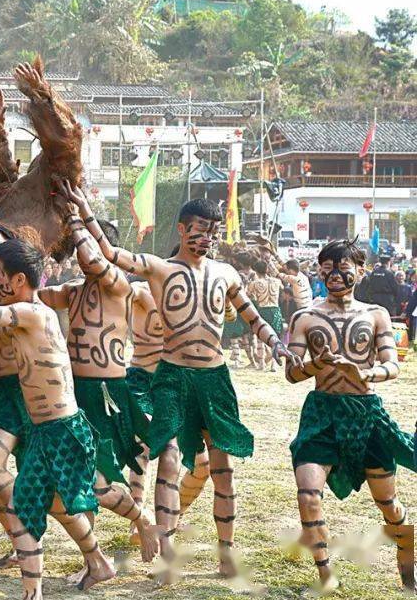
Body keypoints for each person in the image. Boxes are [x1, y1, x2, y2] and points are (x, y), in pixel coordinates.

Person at [65, 182, 295, 581]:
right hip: (171, 376)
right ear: (182, 229)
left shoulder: (226, 274)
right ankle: (167, 551)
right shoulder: (160, 268)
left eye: (213, 231)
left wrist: (276, 343)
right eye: (199, 229)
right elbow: (112, 254)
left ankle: (227, 552)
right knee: (168, 457)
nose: (207, 237)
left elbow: (252, 315)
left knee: (221, 465)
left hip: (214, 378)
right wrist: (84, 211)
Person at [0, 239, 115, 595]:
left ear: (17, 280)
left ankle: (34, 592)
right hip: (46, 430)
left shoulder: (32, 312)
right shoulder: (24, 316)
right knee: (55, 505)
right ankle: (98, 563)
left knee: (29, 507)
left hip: (61, 430)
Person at [286, 238, 415, 593]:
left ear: (359, 270)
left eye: (343, 268)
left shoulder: (376, 314)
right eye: (326, 269)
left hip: (367, 414)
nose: (334, 276)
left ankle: (407, 569)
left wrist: (366, 374)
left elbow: (393, 365)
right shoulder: (305, 317)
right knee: (308, 495)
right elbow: (291, 373)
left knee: (388, 505)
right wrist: (317, 363)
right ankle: (326, 576)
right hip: (321, 413)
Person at [37, 211, 159, 572]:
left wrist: (73, 216)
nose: (82, 255)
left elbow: (93, 257)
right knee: (80, 476)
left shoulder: (119, 285)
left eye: (86, 245)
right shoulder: (73, 290)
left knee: (95, 477)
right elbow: (35, 294)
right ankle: (93, 557)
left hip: (108, 393)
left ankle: (141, 516)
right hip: (73, 393)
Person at [246, 259, 284, 371]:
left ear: (256, 271)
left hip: (262, 309)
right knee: (275, 337)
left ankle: (262, 363)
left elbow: (249, 295)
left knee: (260, 337)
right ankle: (274, 364)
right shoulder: (276, 281)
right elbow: (282, 288)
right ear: (267, 269)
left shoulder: (254, 283)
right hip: (275, 310)